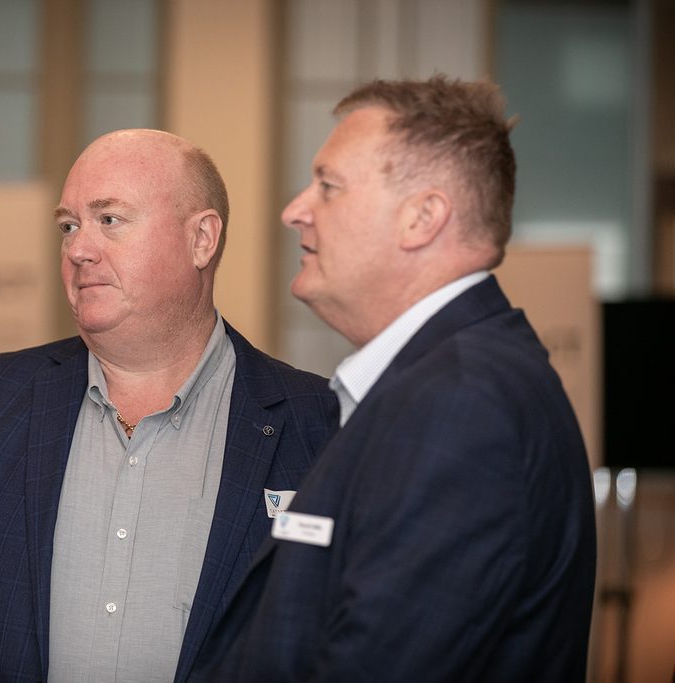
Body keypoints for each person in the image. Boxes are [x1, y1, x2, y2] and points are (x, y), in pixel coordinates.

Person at [0, 129, 338, 683]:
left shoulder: (320, 424)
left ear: (201, 239)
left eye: (109, 219)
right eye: (68, 226)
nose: (79, 249)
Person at [189, 76, 597, 682]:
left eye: (328, 186)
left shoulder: (463, 405)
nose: (294, 210)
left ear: (422, 218)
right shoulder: (445, 384)